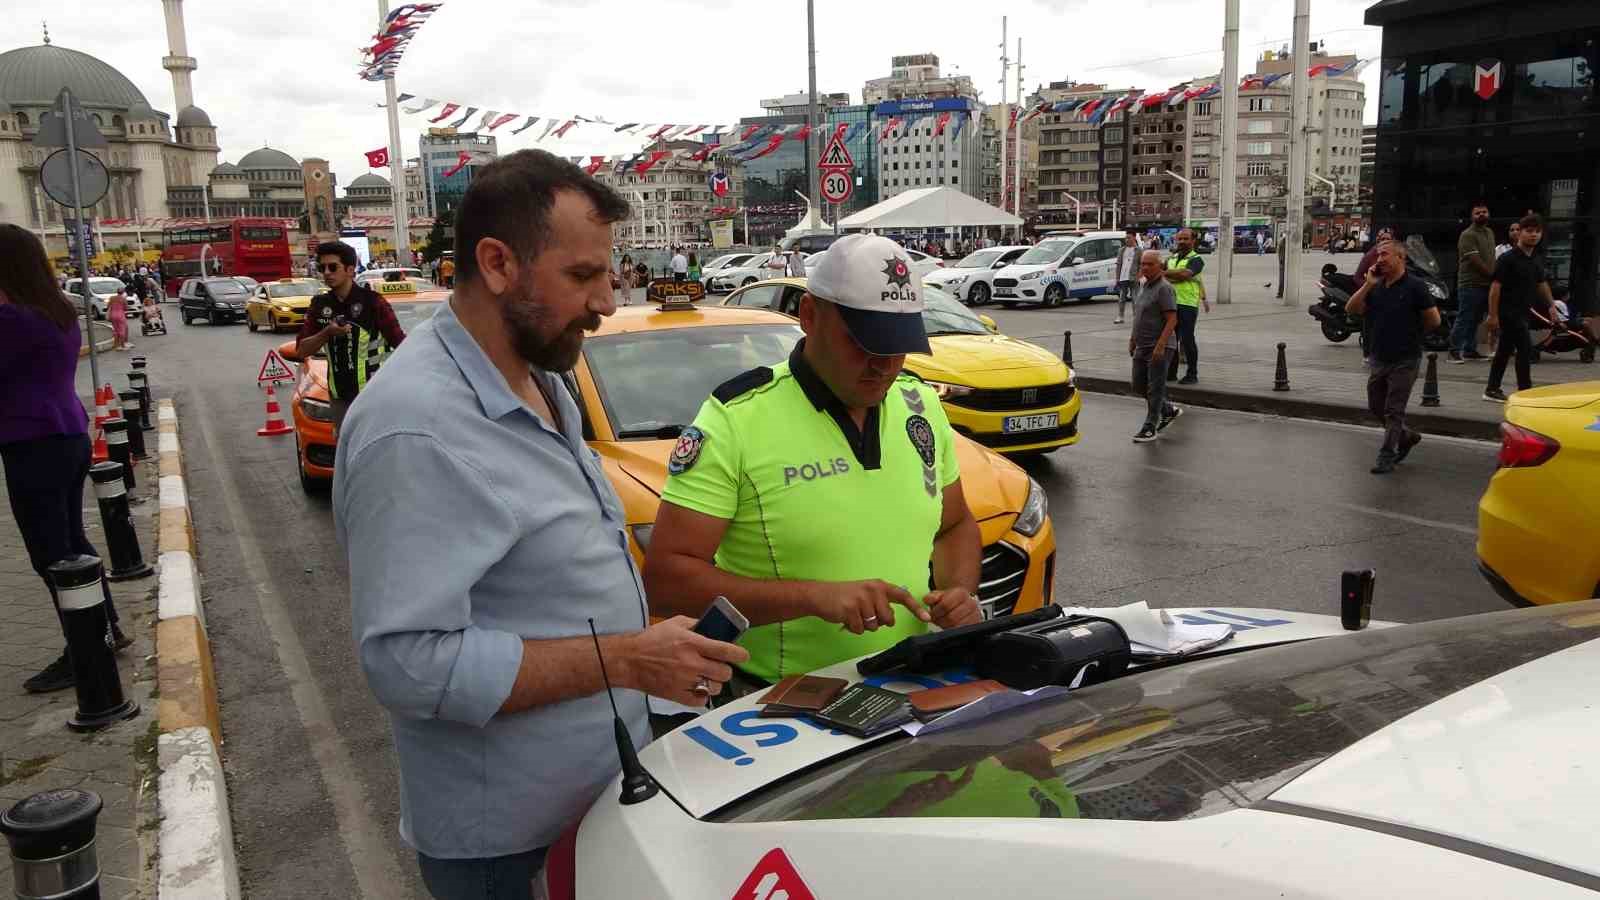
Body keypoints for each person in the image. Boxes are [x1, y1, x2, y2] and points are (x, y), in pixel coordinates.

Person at [334, 150, 747, 899]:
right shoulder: (417, 430)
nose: (610, 302)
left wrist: (645, 674)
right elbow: (406, 664)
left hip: (597, 797)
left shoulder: (543, 376)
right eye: (583, 277)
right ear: (497, 264)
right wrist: (626, 661)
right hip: (507, 842)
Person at [643, 233, 983, 690]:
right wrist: (812, 597)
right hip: (781, 700)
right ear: (809, 316)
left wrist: (960, 592)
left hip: (908, 683)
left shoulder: (919, 404)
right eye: (864, 343)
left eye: (896, 346)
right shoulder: (736, 418)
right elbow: (667, 580)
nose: (882, 365)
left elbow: (955, 525)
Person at [0, 224, 129, 694]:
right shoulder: (58, 313)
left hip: (34, 442)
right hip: (67, 433)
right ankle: (105, 628)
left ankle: (84, 652)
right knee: (72, 541)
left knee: (50, 553)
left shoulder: (13, 321)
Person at [1345, 241, 1442, 474]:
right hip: (1379, 357)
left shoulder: (1416, 287)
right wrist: (1368, 285)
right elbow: (1351, 308)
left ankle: (1387, 455)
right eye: (1378, 255)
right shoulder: (1377, 287)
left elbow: (1434, 320)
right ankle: (1406, 436)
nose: (1379, 259)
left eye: (1385, 254)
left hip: (1405, 358)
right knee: (1375, 405)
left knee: (1393, 409)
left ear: (1401, 258)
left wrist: (1412, 333)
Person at [295, 241, 406, 435]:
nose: (327, 272)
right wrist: (327, 332)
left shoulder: (373, 301)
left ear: (350, 269)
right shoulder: (319, 305)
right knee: (345, 458)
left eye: (332, 267)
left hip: (375, 396)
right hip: (340, 399)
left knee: (377, 456)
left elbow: (402, 345)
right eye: (322, 268)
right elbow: (302, 350)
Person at [1484, 214, 1562, 403]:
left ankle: (1491, 389)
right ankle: (1525, 391)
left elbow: (1541, 284)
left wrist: (1552, 305)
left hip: (1523, 311)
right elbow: (1495, 288)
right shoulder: (1507, 259)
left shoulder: (1535, 260)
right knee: (1525, 349)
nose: (1533, 235)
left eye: (1537, 232)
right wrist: (1493, 316)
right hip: (1508, 312)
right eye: (1529, 231)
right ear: (1519, 233)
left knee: (1504, 351)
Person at [1129, 250, 1182, 443]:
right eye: (1143, 264)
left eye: (1149, 264)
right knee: (1137, 384)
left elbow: (1172, 319)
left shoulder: (1164, 288)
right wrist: (1132, 339)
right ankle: (1168, 410)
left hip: (1160, 346)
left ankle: (1150, 427)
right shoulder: (1144, 285)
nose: (1144, 267)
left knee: (1155, 387)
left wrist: (1161, 345)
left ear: (1160, 266)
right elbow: (1139, 316)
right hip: (1142, 345)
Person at [1450, 202, 1495, 363]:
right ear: (1472, 216)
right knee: (1465, 317)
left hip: (1486, 284)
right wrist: (1493, 275)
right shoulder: (1467, 235)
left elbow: (1490, 257)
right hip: (1470, 284)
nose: (1481, 215)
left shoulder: (1489, 232)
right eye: (1477, 213)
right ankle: (1454, 351)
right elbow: (1474, 259)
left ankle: (1470, 349)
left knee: (1476, 319)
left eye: (1484, 212)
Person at [1163, 229, 1208, 384]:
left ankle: (1192, 374)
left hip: (1187, 304)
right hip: (1169, 304)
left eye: (1185, 239)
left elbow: (1185, 275)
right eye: (1180, 238)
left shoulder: (1196, 259)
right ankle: (1171, 373)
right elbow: (1160, 271)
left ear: (1193, 240)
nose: (1182, 241)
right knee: (1170, 340)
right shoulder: (1172, 257)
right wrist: (1174, 274)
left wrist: (1169, 274)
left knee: (1187, 340)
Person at [1113, 231, 1139, 325]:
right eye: (1126, 238)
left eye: (1129, 237)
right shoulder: (1121, 250)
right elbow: (1118, 264)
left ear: (1134, 238)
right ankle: (1120, 316)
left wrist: (1138, 276)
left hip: (1133, 277)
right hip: (1122, 277)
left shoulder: (1138, 250)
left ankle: (1136, 317)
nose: (1127, 240)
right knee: (1121, 298)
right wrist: (1117, 278)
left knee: (1135, 298)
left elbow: (1141, 265)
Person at [108, 286, 131, 351]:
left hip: (112, 315)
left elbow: (108, 306)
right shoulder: (123, 298)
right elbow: (126, 307)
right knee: (122, 330)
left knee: (115, 330)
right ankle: (122, 345)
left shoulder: (112, 298)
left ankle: (116, 345)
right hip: (120, 315)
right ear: (123, 292)